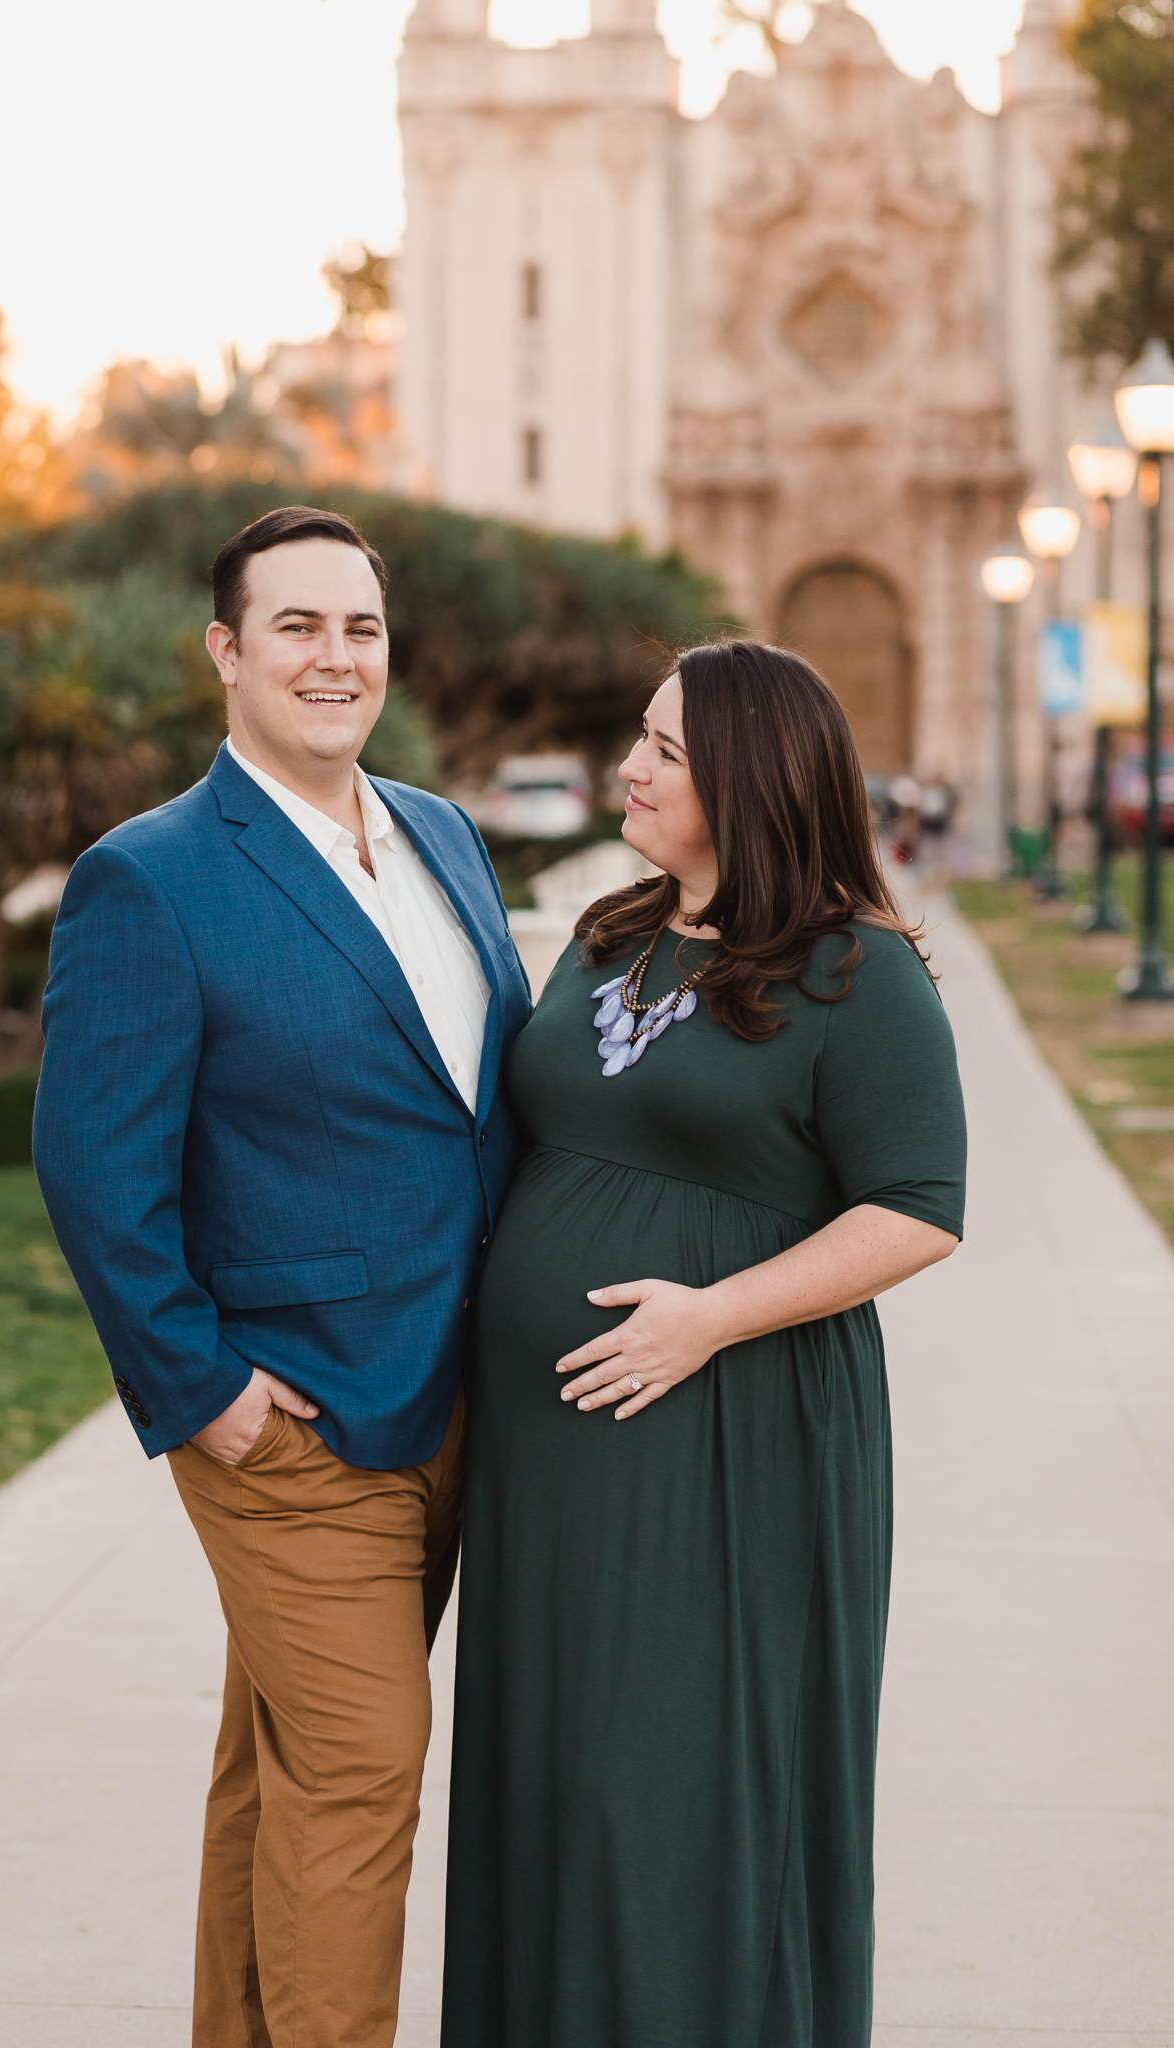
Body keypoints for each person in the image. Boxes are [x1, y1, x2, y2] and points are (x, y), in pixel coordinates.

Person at [33, 505, 531, 2048]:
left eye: (360, 627)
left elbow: (473, 1099)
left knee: (285, 1770)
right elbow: (94, 1169)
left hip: (459, 1402)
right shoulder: (153, 877)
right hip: (292, 1419)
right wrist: (203, 1392)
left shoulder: (442, 833)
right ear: (226, 654)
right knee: (368, 1766)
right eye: (297, 626)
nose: (334, 657)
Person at [441, 639, 967, 2048]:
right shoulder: (612, 930)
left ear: (748, 777)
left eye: (663, 751)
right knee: (557, 1764)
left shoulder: (859, 973)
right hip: (554, 1463)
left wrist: (708, 1318)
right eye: (640, 738)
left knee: (670, 1777)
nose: (629, 766)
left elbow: (919, 1212)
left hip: (728, 1444)